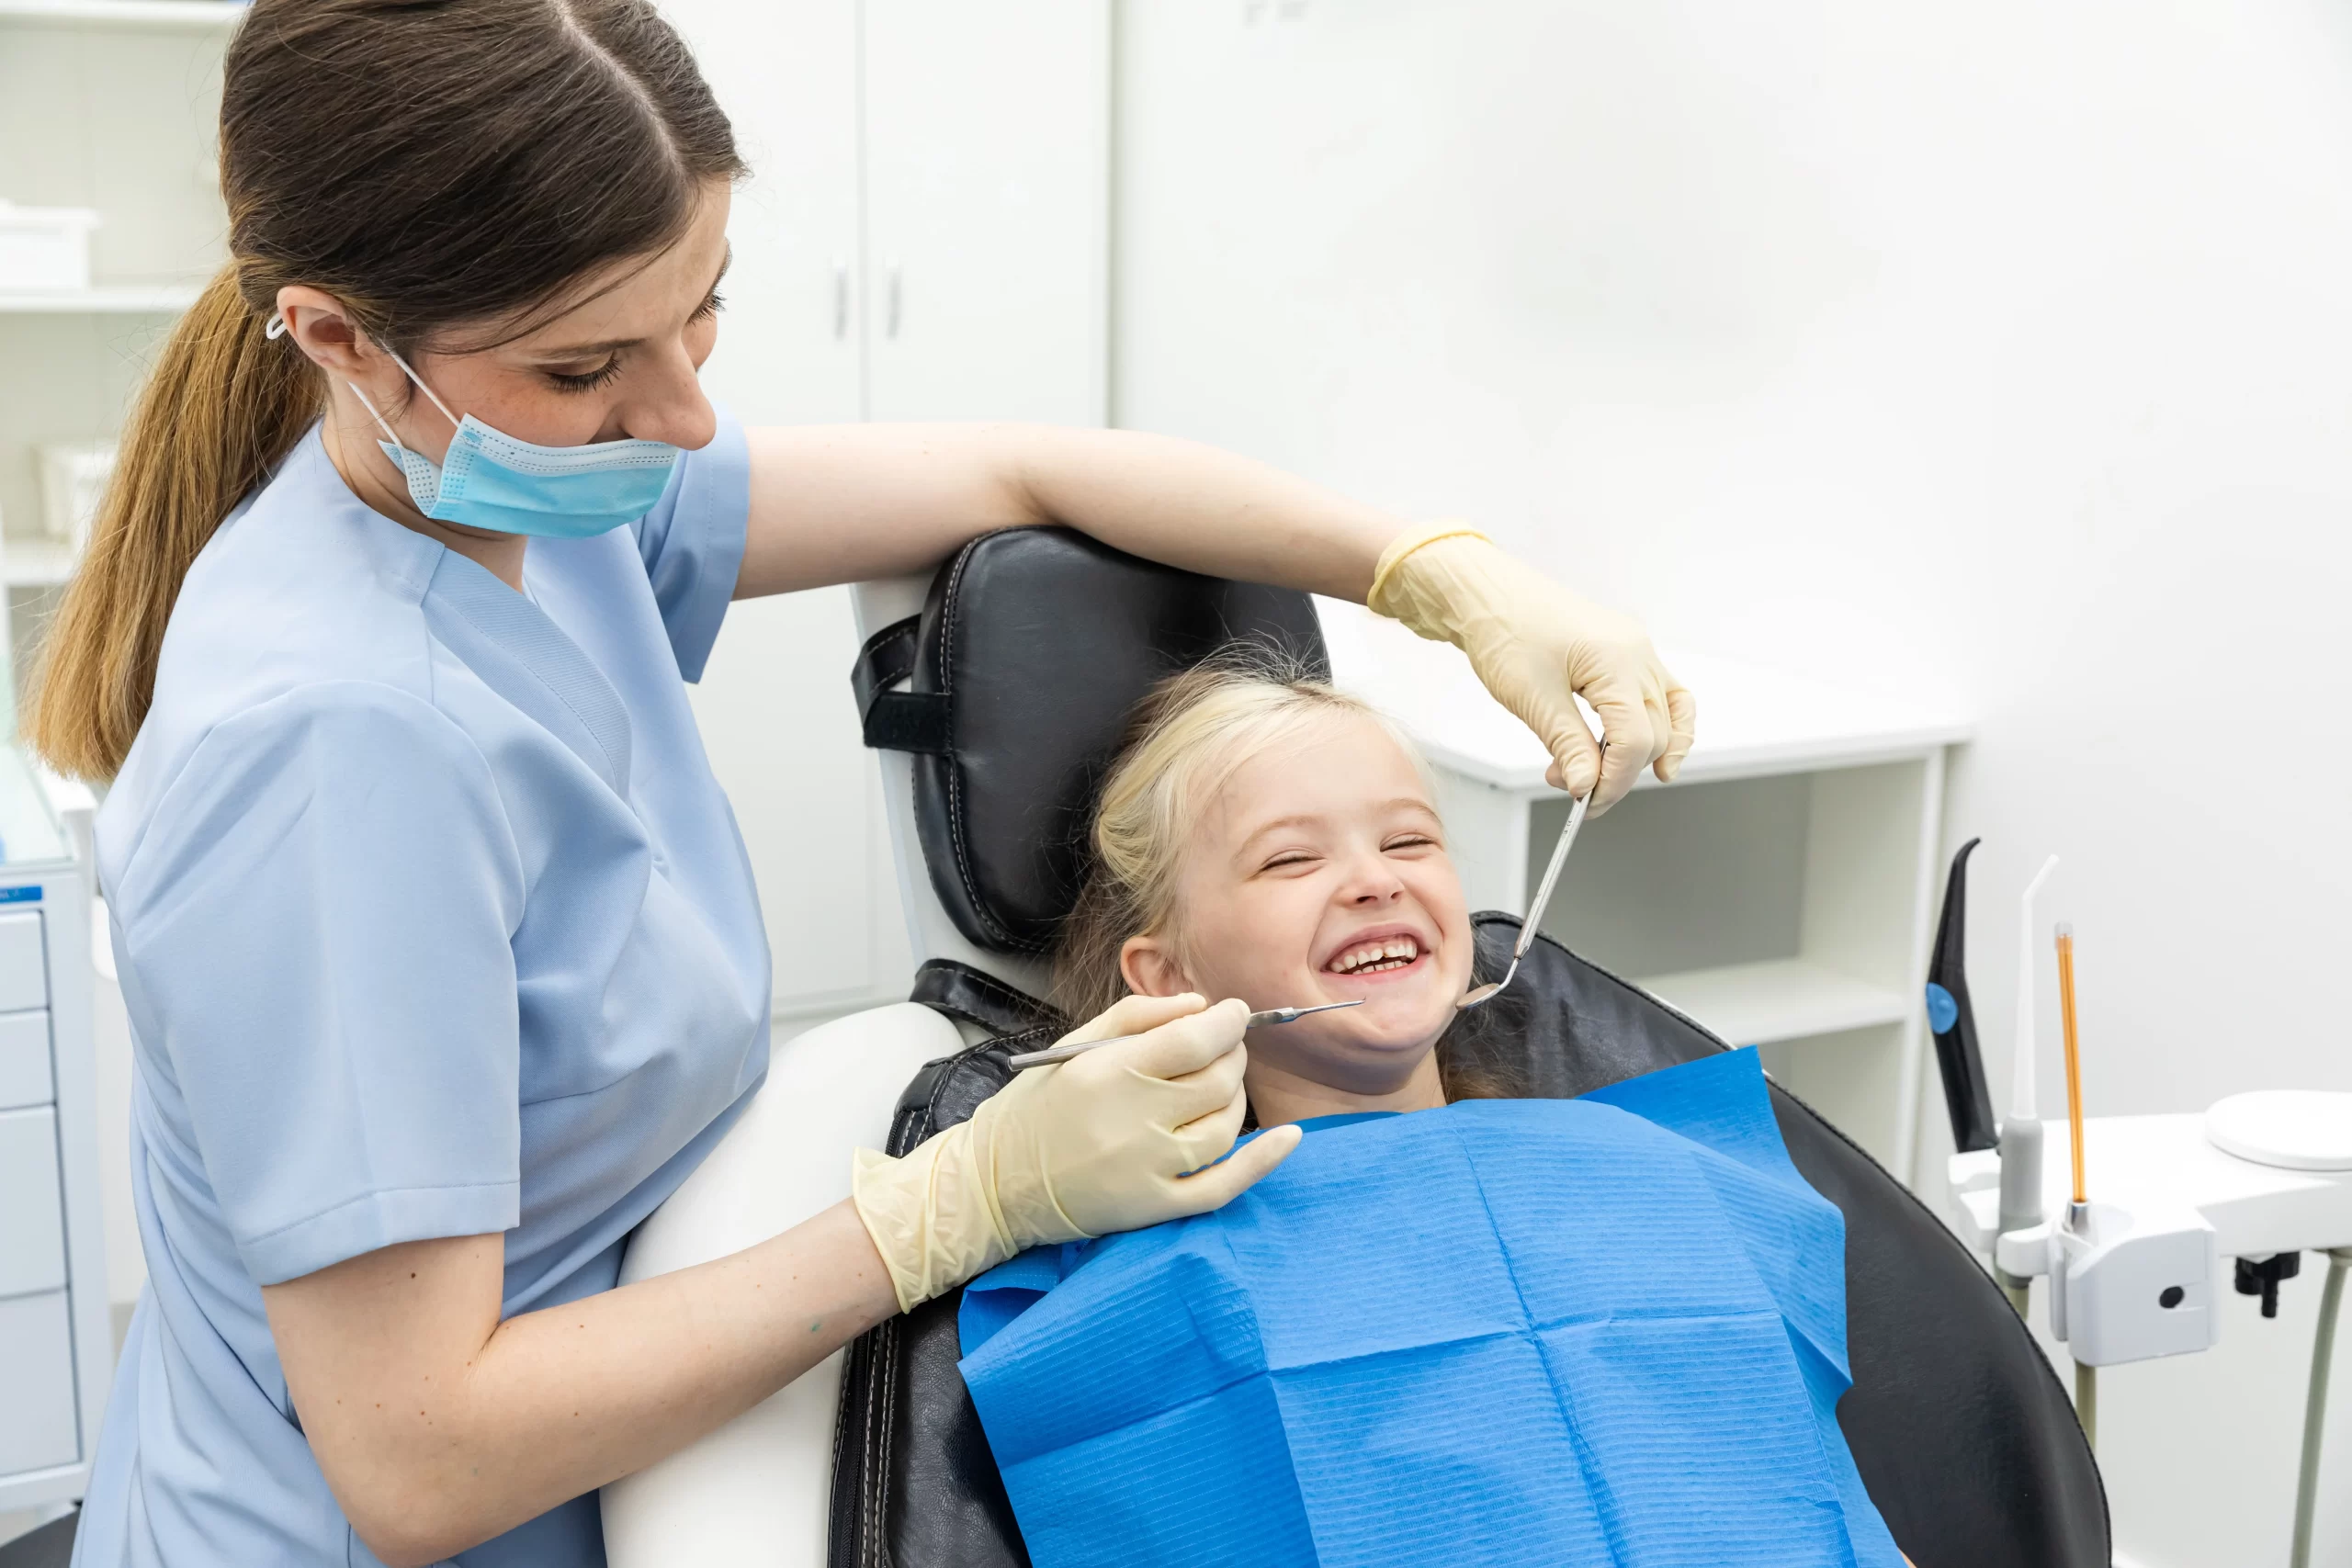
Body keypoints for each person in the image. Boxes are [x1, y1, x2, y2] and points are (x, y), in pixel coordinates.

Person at [30, 4, 1691, 1565]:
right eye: (591, 366)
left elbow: (1017, 467)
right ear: (338, 339)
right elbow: (416, 1459)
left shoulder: (539, 493)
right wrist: (956, 1207)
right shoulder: (337, 753)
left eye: (705, 309)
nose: (683, 418)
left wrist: (1434, 569)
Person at [956, 660, 1911, 1567]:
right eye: (1289, 859)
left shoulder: (1664, 1171)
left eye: (1409, 840)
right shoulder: (1129, 1284)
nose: (1376, 879)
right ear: (1167, 979)